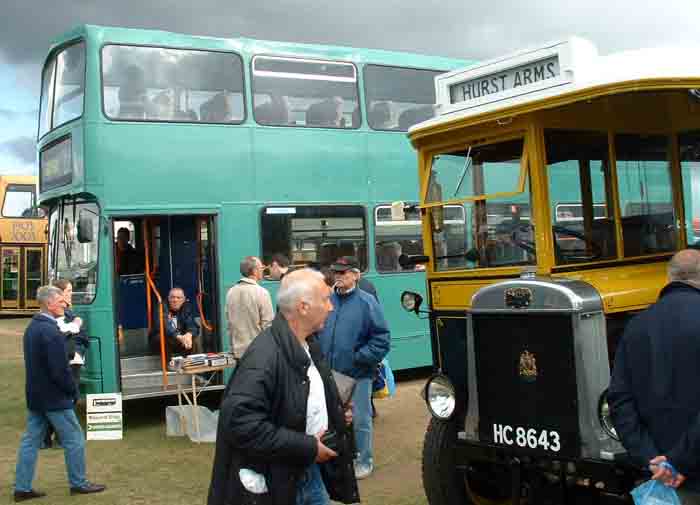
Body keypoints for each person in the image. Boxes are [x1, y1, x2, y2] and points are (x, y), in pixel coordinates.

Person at [208, 269, 359, 505]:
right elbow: (240, 423)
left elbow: (297, 397)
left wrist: (334, 412)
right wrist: (307, 447)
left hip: (307, 476)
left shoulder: (307, 345)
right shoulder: (264, 357)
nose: (331, 307)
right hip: (279, 484)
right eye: (325, 299)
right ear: (303, 307)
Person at [609, 249, 700, 503]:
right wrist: (678, 461)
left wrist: (654, 461)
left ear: (669, 278)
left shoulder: (636, 325)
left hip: (659, 479)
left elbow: (619, 400)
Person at [14, 286, 105, 502]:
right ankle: (79, 483)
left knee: (30, 442)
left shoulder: (33, 327)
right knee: (74, 439)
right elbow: (60, 370)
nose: (65, 304)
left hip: (36, 396)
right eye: (60, 301)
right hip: (54, 398)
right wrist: (73, 391)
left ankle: (22, 488)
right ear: (48, 304)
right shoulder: (50, 331)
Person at [318, 256, 390, 480]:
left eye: (344, 273)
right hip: (331, 373)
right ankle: (339, 458)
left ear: (356, 275)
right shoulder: (327, 299)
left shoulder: (367, 302)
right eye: (336, 273)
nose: (338, 277)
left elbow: (382, 340)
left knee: (360, 419)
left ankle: (364, 461)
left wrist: (358, 358)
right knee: (332, 418)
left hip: (359, 374)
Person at [43, 278, 89, 449]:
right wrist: (75, 326)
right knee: (67, 399)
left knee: (69, 398)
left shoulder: (70, 312)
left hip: (74, 359)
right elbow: (62, 336)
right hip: (65, 360)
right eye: (68, 291)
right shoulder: (60, 315)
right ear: (59, 294)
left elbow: (83, 338)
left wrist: (79, 350)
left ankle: (51, 437)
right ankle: (54, 437)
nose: (71, 294)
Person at [225, 256, 274, 359]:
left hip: (237, 352)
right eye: (261, 268)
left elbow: (229, 325)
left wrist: (232, 350)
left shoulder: (231, 292)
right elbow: (267, 325)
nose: (262, 271)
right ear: (255, 271)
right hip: (257, 352)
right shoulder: (262, 293)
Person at [149, 287, 200, 357]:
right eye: (172, 297)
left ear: (184, 299)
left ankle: (188, 364)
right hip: (164, 341)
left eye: (178, 298)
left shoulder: (186, 307)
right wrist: (178, 336)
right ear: (168, 298)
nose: (175, 300)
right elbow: (164, 325)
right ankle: (170, 364)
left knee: (193, 341)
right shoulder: (161, 306)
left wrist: (189, 335)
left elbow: (192, 324)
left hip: (179, 340)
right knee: (161, 338)